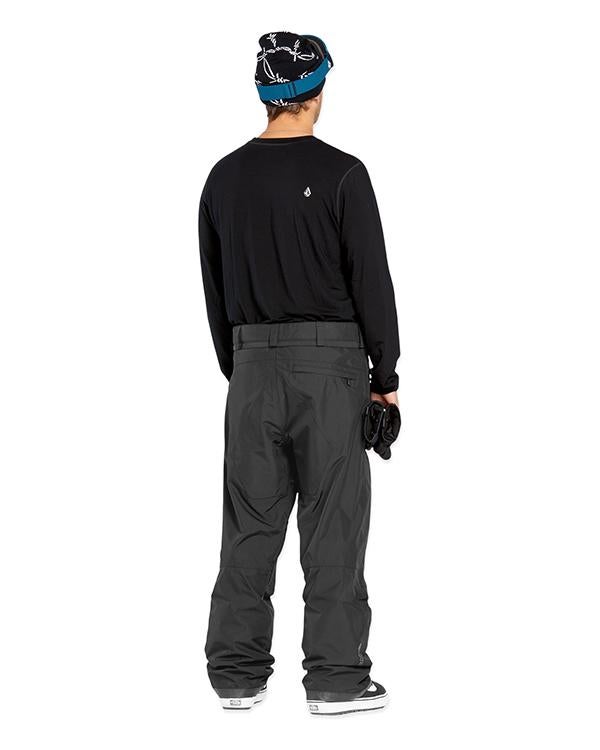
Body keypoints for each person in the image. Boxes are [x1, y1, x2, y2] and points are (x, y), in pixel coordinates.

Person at [198, 31, 400, 715]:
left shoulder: (223, 178)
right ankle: (338, 679)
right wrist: (385, 375)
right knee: (333, 524)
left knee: (248, 526)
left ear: (265, 93)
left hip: (251, 369)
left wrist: (244, 369)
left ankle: (235, 676)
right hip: (331, 370)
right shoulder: (344, 173)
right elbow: (371, 281)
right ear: (316, 92)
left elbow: (216, 290)